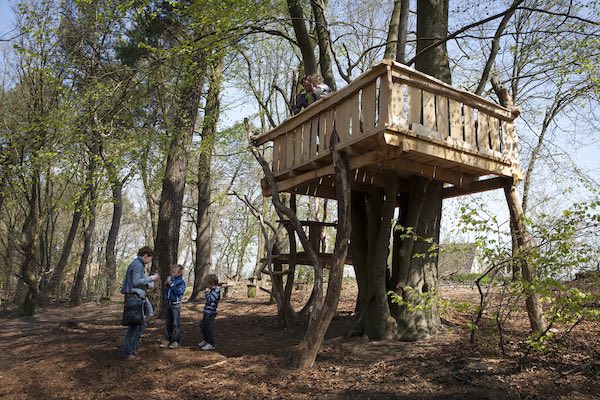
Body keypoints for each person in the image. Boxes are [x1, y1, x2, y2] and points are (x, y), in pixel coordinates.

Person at [120, 246, 160, 360]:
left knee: (141, 325)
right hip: (134, 299)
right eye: (150, 259)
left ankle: (131, 349)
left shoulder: (138, 264)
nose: (149, 262)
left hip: (136, 298)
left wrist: (147, 282)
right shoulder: (138, 265)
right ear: (146, 256)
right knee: (134, 326)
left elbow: (137, 281)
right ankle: (127, 352)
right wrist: (151, 278)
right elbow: (136, 281)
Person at [160, 264, 186, 349]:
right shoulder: (172, 280)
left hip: (176, 305)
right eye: (171, 271)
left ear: (179, 273)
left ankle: (176, 341)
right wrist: (167, 286)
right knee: (168, 323)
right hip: (169, 304)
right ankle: (168, 339)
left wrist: (171, 285)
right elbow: (167, 292)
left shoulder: (181, 282)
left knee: (176, 323)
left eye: (173, 272)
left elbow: (179, 292)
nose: (171, 273)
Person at [198, 274, 220, 350]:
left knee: (208, 327)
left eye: (207, 284)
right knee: (202, 326)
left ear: (212, 283)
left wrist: (207, 293)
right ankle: (206, 340)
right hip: (207, 311)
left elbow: (211, 299)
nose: (206, 286)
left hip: (211, 312)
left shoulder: (216, 290)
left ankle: (211, 343)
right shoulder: (212, 290)